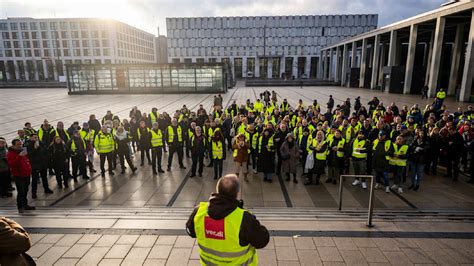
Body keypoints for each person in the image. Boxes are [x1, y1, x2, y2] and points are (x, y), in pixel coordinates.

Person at [186, 174, 269, 265]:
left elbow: (191, 232)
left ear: (217, 190)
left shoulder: (198, 212)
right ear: (237, 193)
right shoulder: (244, 219)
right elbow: (262, 241)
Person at [6, 139, 35, 213]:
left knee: (25, 190)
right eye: (18, 145)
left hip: (26, 174)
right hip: (18, 175)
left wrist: (29, 170)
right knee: (21, 191)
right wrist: (19, 156)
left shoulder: (23, 151)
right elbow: (12, 164)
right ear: (13, 145)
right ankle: (20, 206)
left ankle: (25, 204)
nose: (20, 146)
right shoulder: (10, 154)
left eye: (20, 144)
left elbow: (26, 161)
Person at [25, 134, 53, 198]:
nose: (36, 138)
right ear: (30, 138)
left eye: (37, 137)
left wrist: (46, 158)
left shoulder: (41, 143)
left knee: (44, 178)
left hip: (43, 163)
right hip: (35, 165)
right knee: (35, 180)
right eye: (34, 137)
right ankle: (34, 193)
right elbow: (29, 155)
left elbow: (46, 151)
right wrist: (35, 149)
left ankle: (46, 189)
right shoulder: (28, 145)